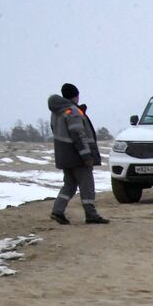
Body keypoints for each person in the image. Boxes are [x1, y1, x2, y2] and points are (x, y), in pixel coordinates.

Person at [47, 82, 108, 224]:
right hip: (77, 156)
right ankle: (91, 215)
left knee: (69, 185)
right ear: (75, 96)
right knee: (87, 185)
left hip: (64, 156)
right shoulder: (72, 111)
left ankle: (57, 211)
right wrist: (86, 155)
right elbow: (78, 135)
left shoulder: (56, 112)